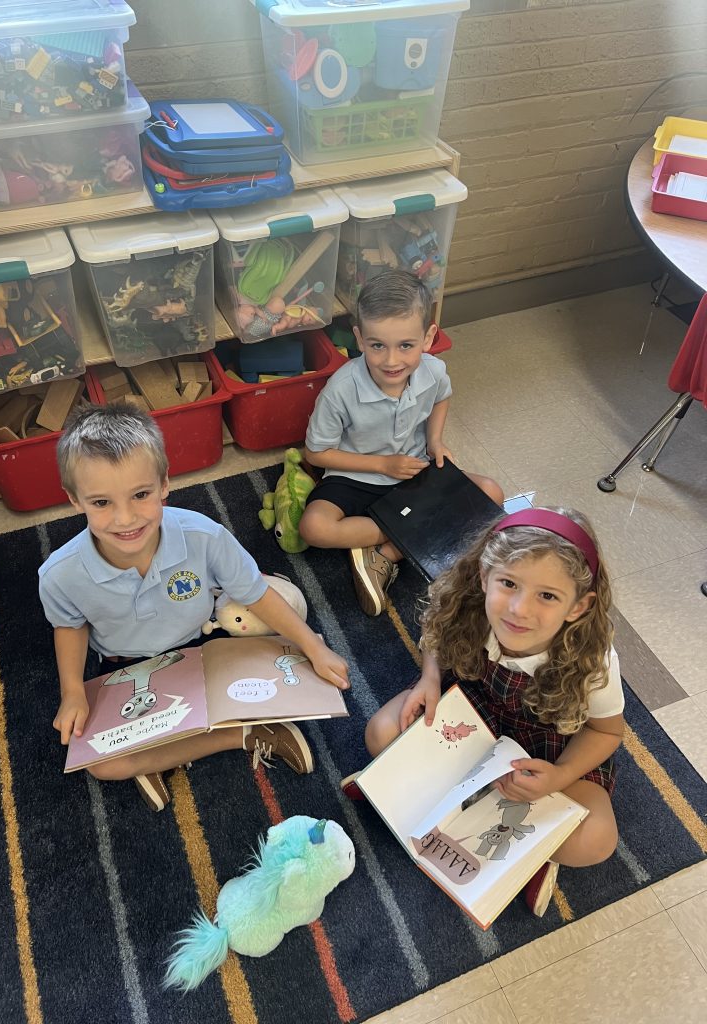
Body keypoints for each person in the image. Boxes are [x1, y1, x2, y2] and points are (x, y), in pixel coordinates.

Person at [39, 403, 349, 811]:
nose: (125, 518)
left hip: (207, 639)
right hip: (128, 667)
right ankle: (243, 734)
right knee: (102, 764)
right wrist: (73, 692)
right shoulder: (60, 574)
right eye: (101, 503)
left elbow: (255, 593)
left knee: (281, 640)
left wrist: (314, 647)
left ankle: (158, 753)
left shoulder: (205, 536)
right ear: (74, 500)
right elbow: (70, 627)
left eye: (141, 495)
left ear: (165, 484)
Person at [342, 507, 623, 917]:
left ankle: (528, 851)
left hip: (547, 747)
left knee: (596, 839)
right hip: (474, 710)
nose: (519, 610)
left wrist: (560, 776)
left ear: (579, 606)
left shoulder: (594, 658)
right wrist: (429, 680)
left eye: (547, 596)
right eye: (508, 583)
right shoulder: (468, 603)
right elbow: (437, 636)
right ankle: (411, 797)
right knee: (381, 733)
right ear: (483, 576)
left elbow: (607, 732)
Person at [299, 269, 504, 616]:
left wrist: (435, 441)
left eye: (406, 346)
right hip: (357, 475)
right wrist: (382, 465)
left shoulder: (434, 370)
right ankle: (408, 536)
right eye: (377, 345)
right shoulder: (341, 389)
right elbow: (315, 453)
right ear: (360, 338)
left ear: (428, 337)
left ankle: (387, 552)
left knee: (492, 493)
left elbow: (442, 397)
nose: (391, 360)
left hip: (414, 470)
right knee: (313, 527)